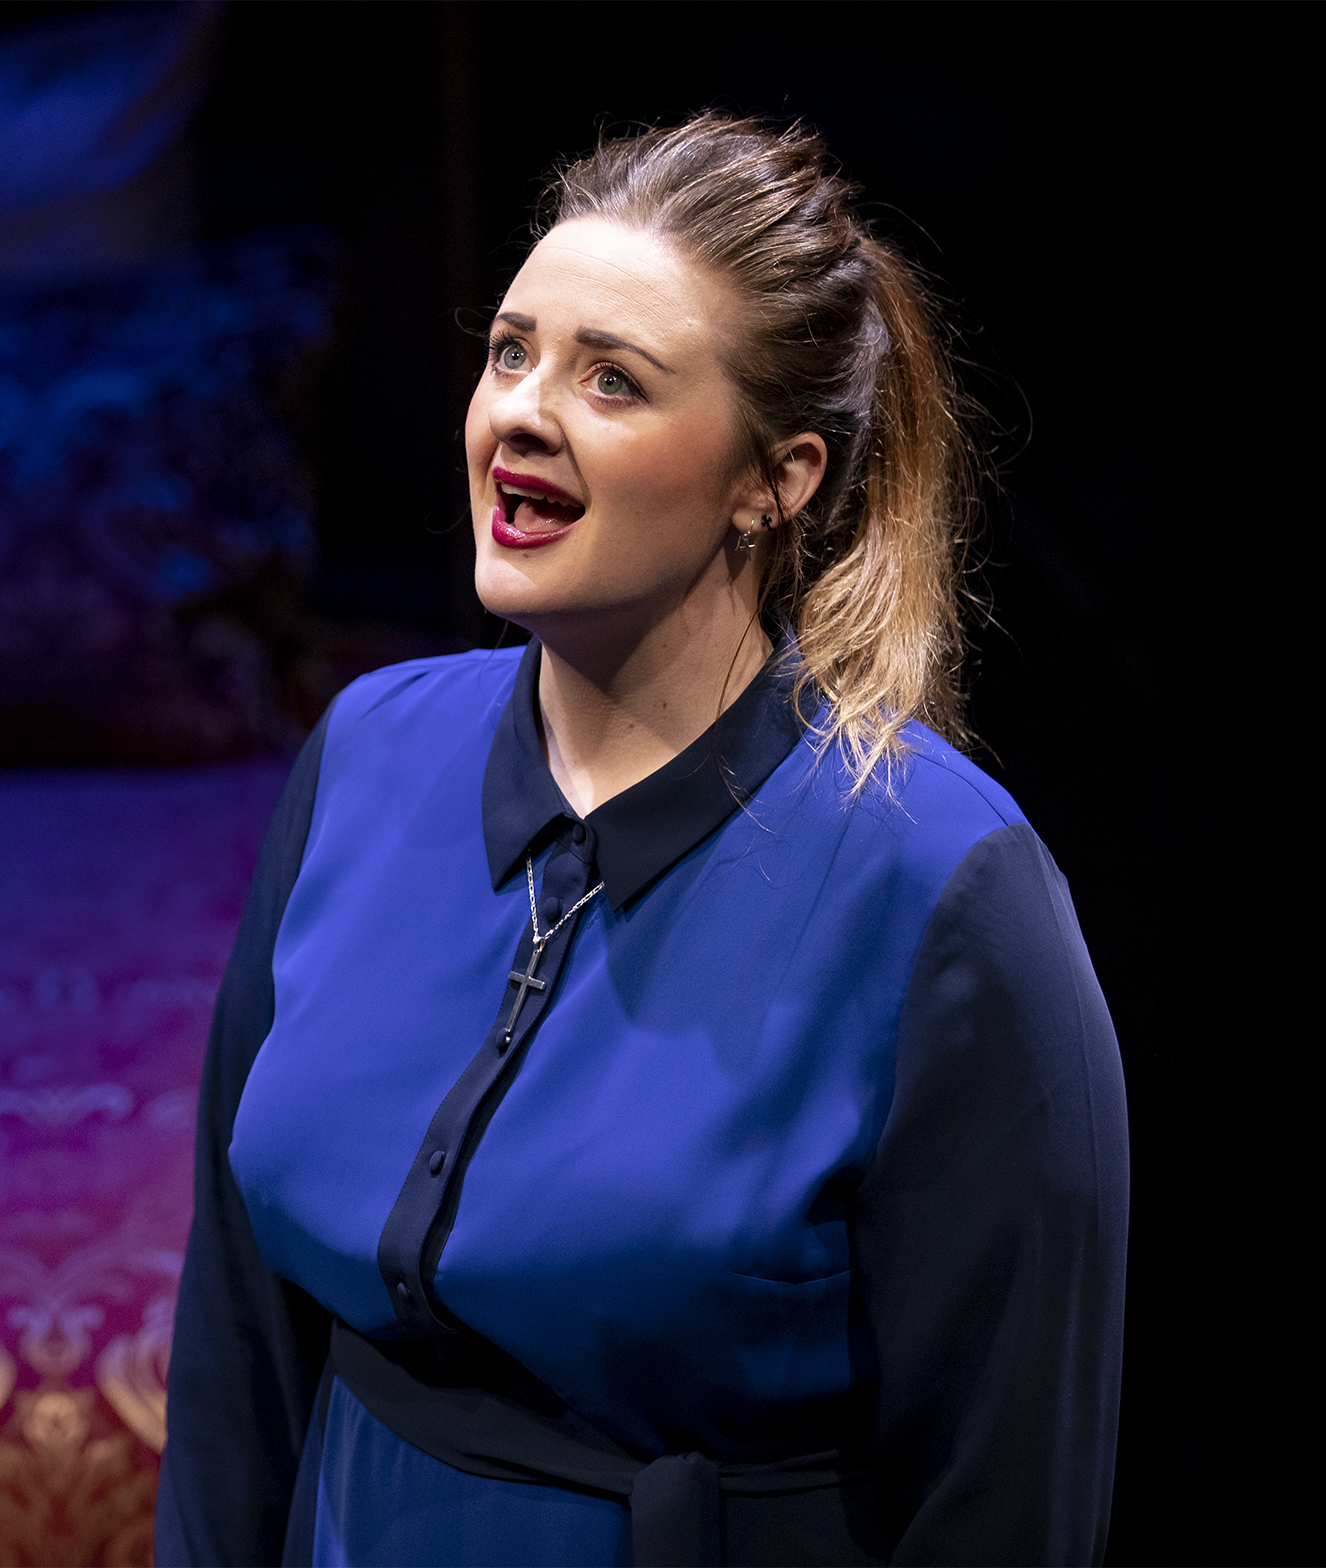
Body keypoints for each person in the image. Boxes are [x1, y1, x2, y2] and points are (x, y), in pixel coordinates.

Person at [154, 115, 1128, 1568]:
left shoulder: (940, 884)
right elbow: (241, 1330)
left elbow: (1005, 1491)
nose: (524, 412)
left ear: (776, 479)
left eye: (613, 379)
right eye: (510, 353)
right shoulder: (366, 754)